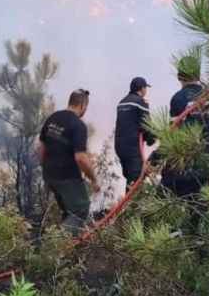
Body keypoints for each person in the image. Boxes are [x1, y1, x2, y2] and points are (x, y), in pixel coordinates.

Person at [159, 57, 209, 235]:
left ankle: (166, 237)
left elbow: (172, 134)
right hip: (203, 167)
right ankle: (194, 241)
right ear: (198, 74)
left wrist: (155, 158)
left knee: (162, 203)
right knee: (197, 212)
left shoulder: (177, 99)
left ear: (179, 76)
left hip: (179, 167)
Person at [39, 89, 100, 236]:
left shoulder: (52, 118)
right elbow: (80, 158)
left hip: (49, 175)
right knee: (81, 209)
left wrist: (46, 169)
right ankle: (57, 246)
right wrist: (93, 179)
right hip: (67, 176)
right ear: (82, 105)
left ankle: (69, 251)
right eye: (86, 107)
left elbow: (41, 147)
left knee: (68, 212)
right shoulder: (78, 125)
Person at [114, 77, 156, 189]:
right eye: (146, 88)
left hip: (119, 148)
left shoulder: (121, 103)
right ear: (142, 89)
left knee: (130, 178)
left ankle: (128, 204)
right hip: (133, 149)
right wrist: (152, 139)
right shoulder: (140, 102)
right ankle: (132, 206)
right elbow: (147, 125)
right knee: (136, 181)